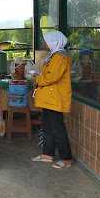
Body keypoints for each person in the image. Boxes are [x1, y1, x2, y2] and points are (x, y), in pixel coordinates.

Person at [31, 31, 73, 169]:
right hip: (49, 99)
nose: (44, 43)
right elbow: (48, 74)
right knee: (47, 128)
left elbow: (51, 77)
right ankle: (47, 155)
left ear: (54, 42)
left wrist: (37, 79)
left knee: (58, 129)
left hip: (55, 99)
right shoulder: (53, 56)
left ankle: (66, 159)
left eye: (47, 41)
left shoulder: (60, 57)